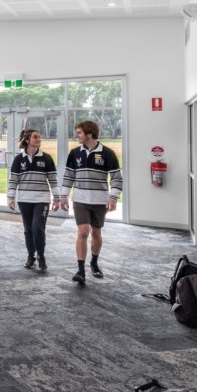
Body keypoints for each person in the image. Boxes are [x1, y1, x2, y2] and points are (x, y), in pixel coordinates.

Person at [58, 122, 122, 285]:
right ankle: (80, 270)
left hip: (100, 201)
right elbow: (68, 177)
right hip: (80, 200)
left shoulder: (108, 153)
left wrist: (113, 197)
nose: (77, 135)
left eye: (79, 133)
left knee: (96, 233)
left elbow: (116, 178)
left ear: (89, 134)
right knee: (83, 232)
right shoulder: (74, 153)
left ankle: (94, 262)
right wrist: (63, 196)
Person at [7, 129, 58, 270]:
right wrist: (10, 197)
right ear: (27, 140)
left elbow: (53, 181)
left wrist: (57, 199)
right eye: (35, 137)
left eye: (39, 137)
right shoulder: (18, 159)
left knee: (38, 228)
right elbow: (13, 181)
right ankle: (31, 256)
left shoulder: (47, 158)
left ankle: (41, 256)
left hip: (42, 200)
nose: (39, 139)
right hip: (24, 200)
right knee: (28, 229)